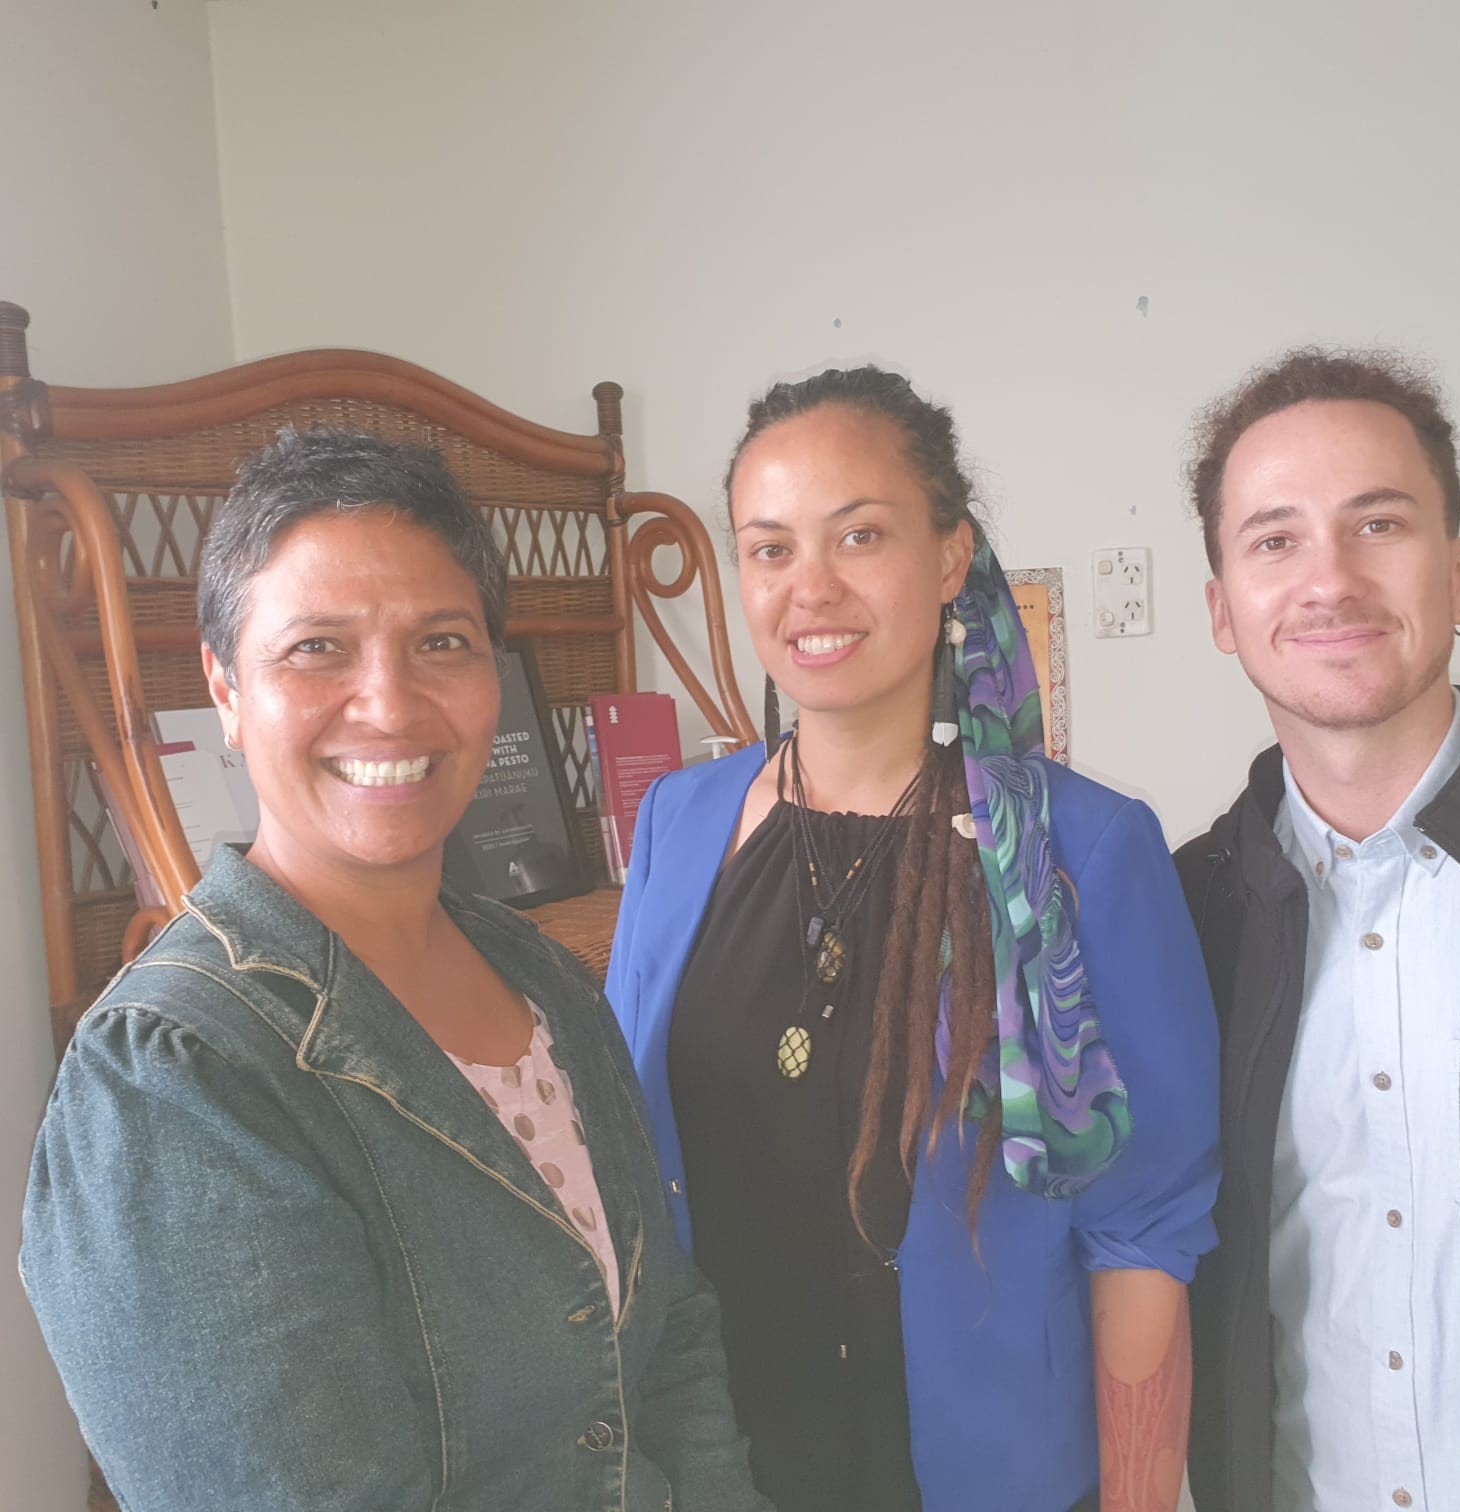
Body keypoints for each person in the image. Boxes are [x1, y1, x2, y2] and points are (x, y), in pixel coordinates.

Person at [22, 429, 768, 1512]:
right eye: (317, 647)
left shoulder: (543, 982)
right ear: (225, 689)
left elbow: (674, 1346)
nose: (389, 703)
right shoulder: (173, 1081)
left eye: (442, 642)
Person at [606, 367, 1220, 1512]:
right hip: (722, 1465)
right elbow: (629, 1162)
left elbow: (1145, 1235)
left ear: (948, 558)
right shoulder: (676, 828)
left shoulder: (1083, 851)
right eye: (770, 548)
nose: (810, 589)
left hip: (986, 1475)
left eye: (860, 536)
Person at [1175, 349, 1460, 1511]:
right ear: (1224, 610)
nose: (1329, 580)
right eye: (1275, 539)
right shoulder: (1180, 919)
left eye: (1379, 523)